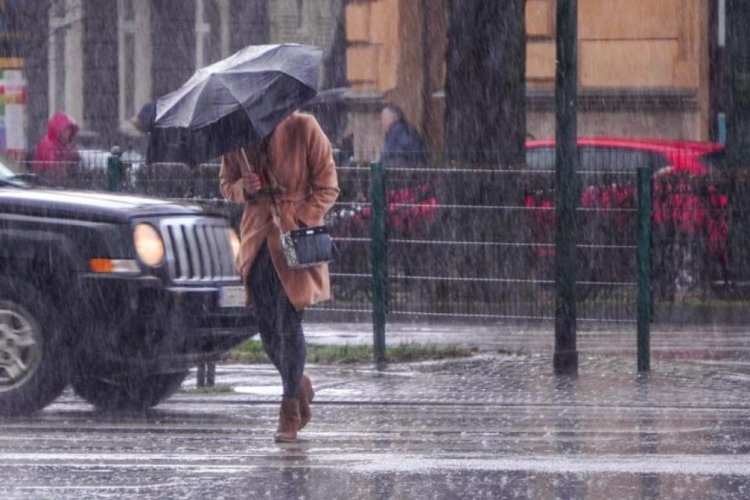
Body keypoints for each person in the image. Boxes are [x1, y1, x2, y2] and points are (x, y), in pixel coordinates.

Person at [219, 111, 339, 443]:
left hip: (294, 243)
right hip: (256, 241)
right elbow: (226, 184)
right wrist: (245, 187)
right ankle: (298, 382)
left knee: (288, 322)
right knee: (267, 327)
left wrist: (300, 216)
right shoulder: (237, 137)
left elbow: (328, 185)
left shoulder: (304, 126)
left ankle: (289, 407)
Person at [31, 111, 81, 185]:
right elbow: (53, 169)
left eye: (69, 131)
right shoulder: (47, 144)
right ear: (58, 130)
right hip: (45, 184)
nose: (67, 134)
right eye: (65, 131)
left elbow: (75, 163)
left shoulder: (66, 145)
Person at [379, 103, 428, 167]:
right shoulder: (404, 129)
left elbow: (389, 155)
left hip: (405, 172)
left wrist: (380, 165)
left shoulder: (397, 132)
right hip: (413, 169)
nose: (381, 122)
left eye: (383, 118)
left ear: (391, 118)